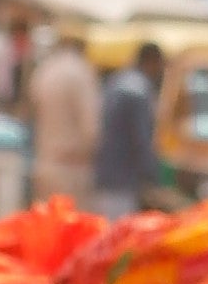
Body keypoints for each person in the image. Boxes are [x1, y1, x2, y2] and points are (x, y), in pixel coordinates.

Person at [22, 22, 98, 211]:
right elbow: (91, 129)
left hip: (45, 163)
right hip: (72, 168)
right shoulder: (81, 72)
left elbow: (30, 111)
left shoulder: (45, 70)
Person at [88, 41, 161, 212]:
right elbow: (141, 139)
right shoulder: (138, 91)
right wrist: (152, 174)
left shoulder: (117, 81)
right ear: (152, 61)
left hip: (106, 171)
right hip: (124, 177)